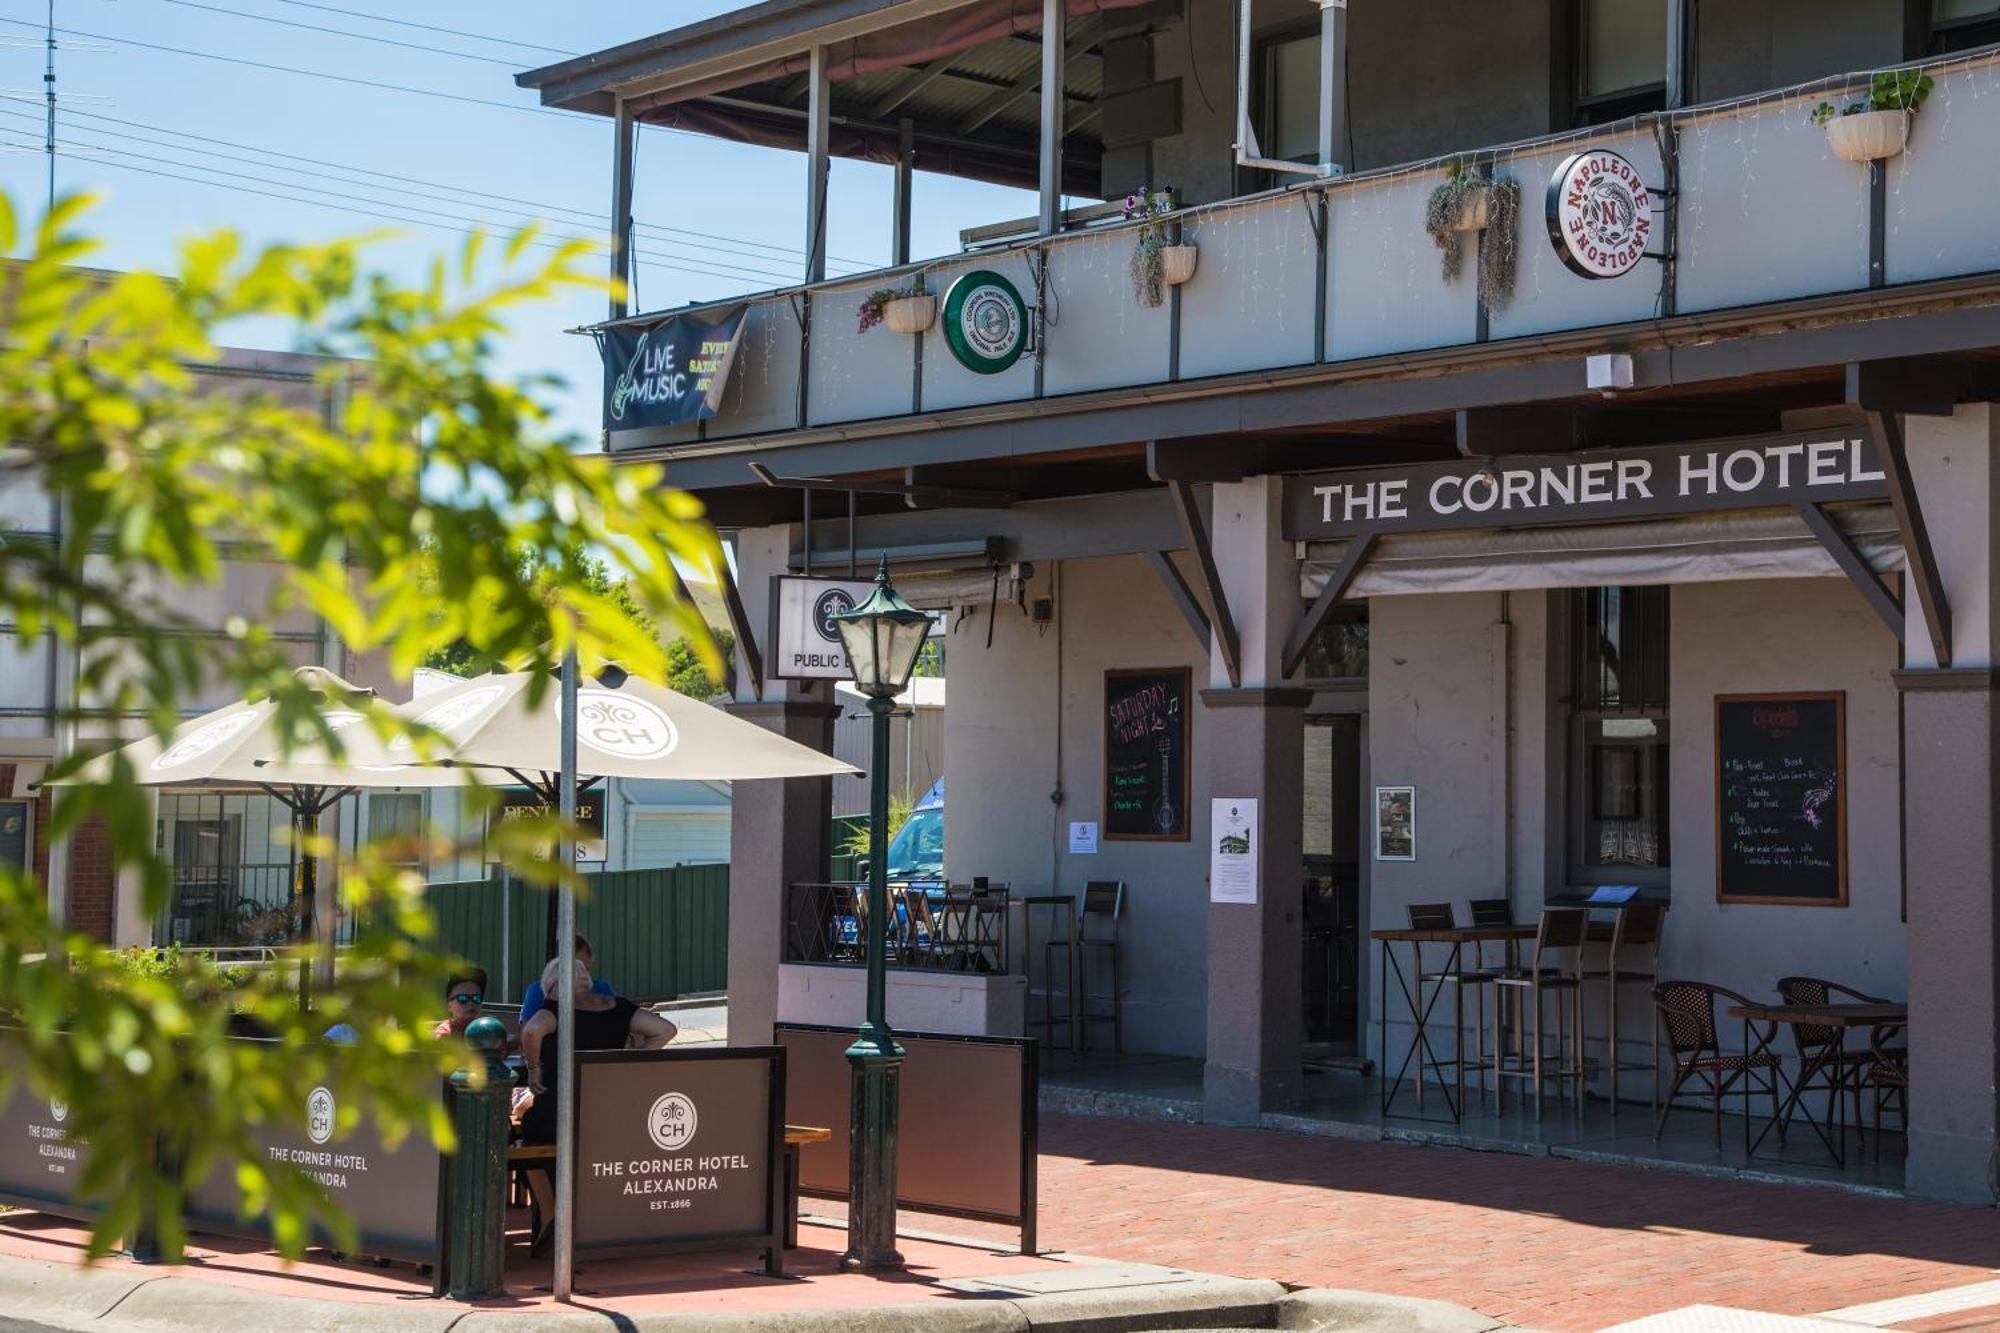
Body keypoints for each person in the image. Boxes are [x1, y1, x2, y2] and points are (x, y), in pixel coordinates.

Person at [517, 957, 675, 1145]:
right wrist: (627, 1061)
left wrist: (534, 1068)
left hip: (560, 1117)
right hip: (611, 1115)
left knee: (528, 1132)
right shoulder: (619, 1007)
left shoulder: (555, 1010)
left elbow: (532, 1031)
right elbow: (665, 1030)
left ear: (555, 985)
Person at [518, 934, 613, 1024]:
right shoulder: (538, 990)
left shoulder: (602, 988)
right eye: (575, 968)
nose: (582, 975)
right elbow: (526, 1030)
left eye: (583, 969)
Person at [433, 966, 488, 1039]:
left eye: (476, 998)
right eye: (463, 998)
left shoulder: (488, 1031)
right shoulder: (444, 1036)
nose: (470, 1003)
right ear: (449, 1006)